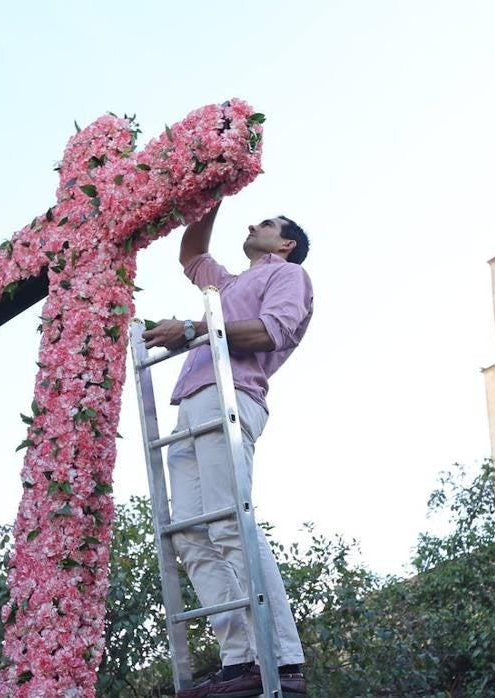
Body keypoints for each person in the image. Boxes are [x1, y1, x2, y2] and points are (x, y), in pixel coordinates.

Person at [142, 201, 313, 698]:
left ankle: (282, 661)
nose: (252, 226)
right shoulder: (229, 282)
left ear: (285, 243)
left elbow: (268, 332)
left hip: (231, 392)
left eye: (266, 224)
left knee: (229, 521)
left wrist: (194, 329)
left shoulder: (288, 276)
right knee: (192, 535)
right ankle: (240, 661)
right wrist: (209, 195)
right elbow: (192, 254)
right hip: (190, 403)